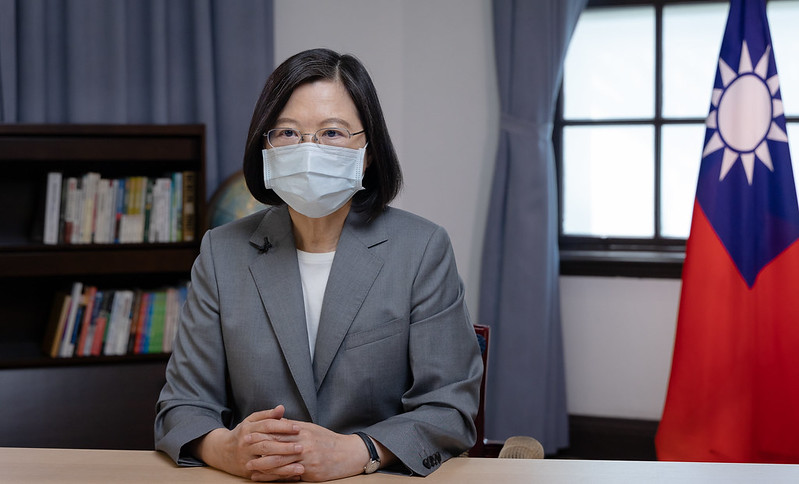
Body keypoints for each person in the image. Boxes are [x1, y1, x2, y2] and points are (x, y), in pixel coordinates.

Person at [154, 48, 482, 482]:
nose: (308, 150)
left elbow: (449, 408)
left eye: (332, 133)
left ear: (367, 153)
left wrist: (360, 451)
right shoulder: (222, 253)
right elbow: (182, 405)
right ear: (265, 147)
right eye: (288, 133)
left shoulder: (422, 249)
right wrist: (226, 448)